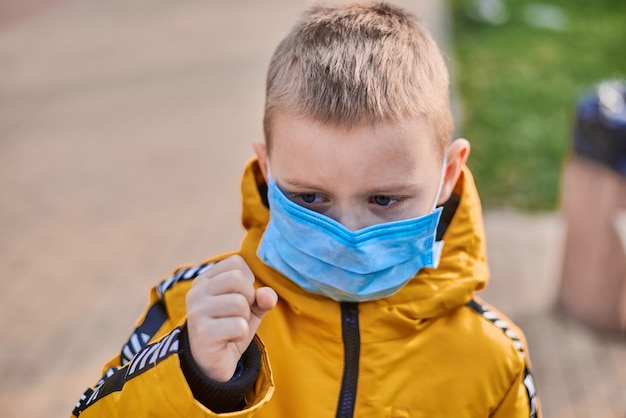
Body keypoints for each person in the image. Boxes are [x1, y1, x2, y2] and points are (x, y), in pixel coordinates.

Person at [72, 2, 540, 417]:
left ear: (449, 174)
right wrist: (197, 378)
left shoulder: (493, 358)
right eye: (310, 198)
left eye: (383, 199)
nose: (347, 235)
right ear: (267, 166)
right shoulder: (193, 313)